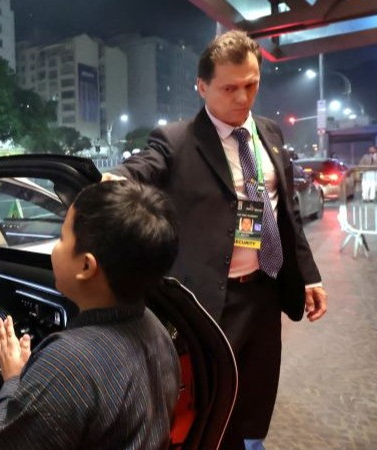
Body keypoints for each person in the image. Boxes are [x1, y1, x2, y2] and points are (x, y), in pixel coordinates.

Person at [104, 30, 327, 449]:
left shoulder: (270, 134)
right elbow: (141, 168)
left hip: (264, 293)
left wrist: (310, 276)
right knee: (209, 406)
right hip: (209, 301)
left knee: (255, 399)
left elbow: (287, 214)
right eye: (229, 88)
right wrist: (110, 180)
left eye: (251, 84)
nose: (242, 98)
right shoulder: (176, 140)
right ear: (202, 86)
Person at [0, 181, 181, 450]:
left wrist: (15, 379)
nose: (56, 246)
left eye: (63, 238)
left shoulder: (65, 365)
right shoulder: (156, 329)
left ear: (86, 266)